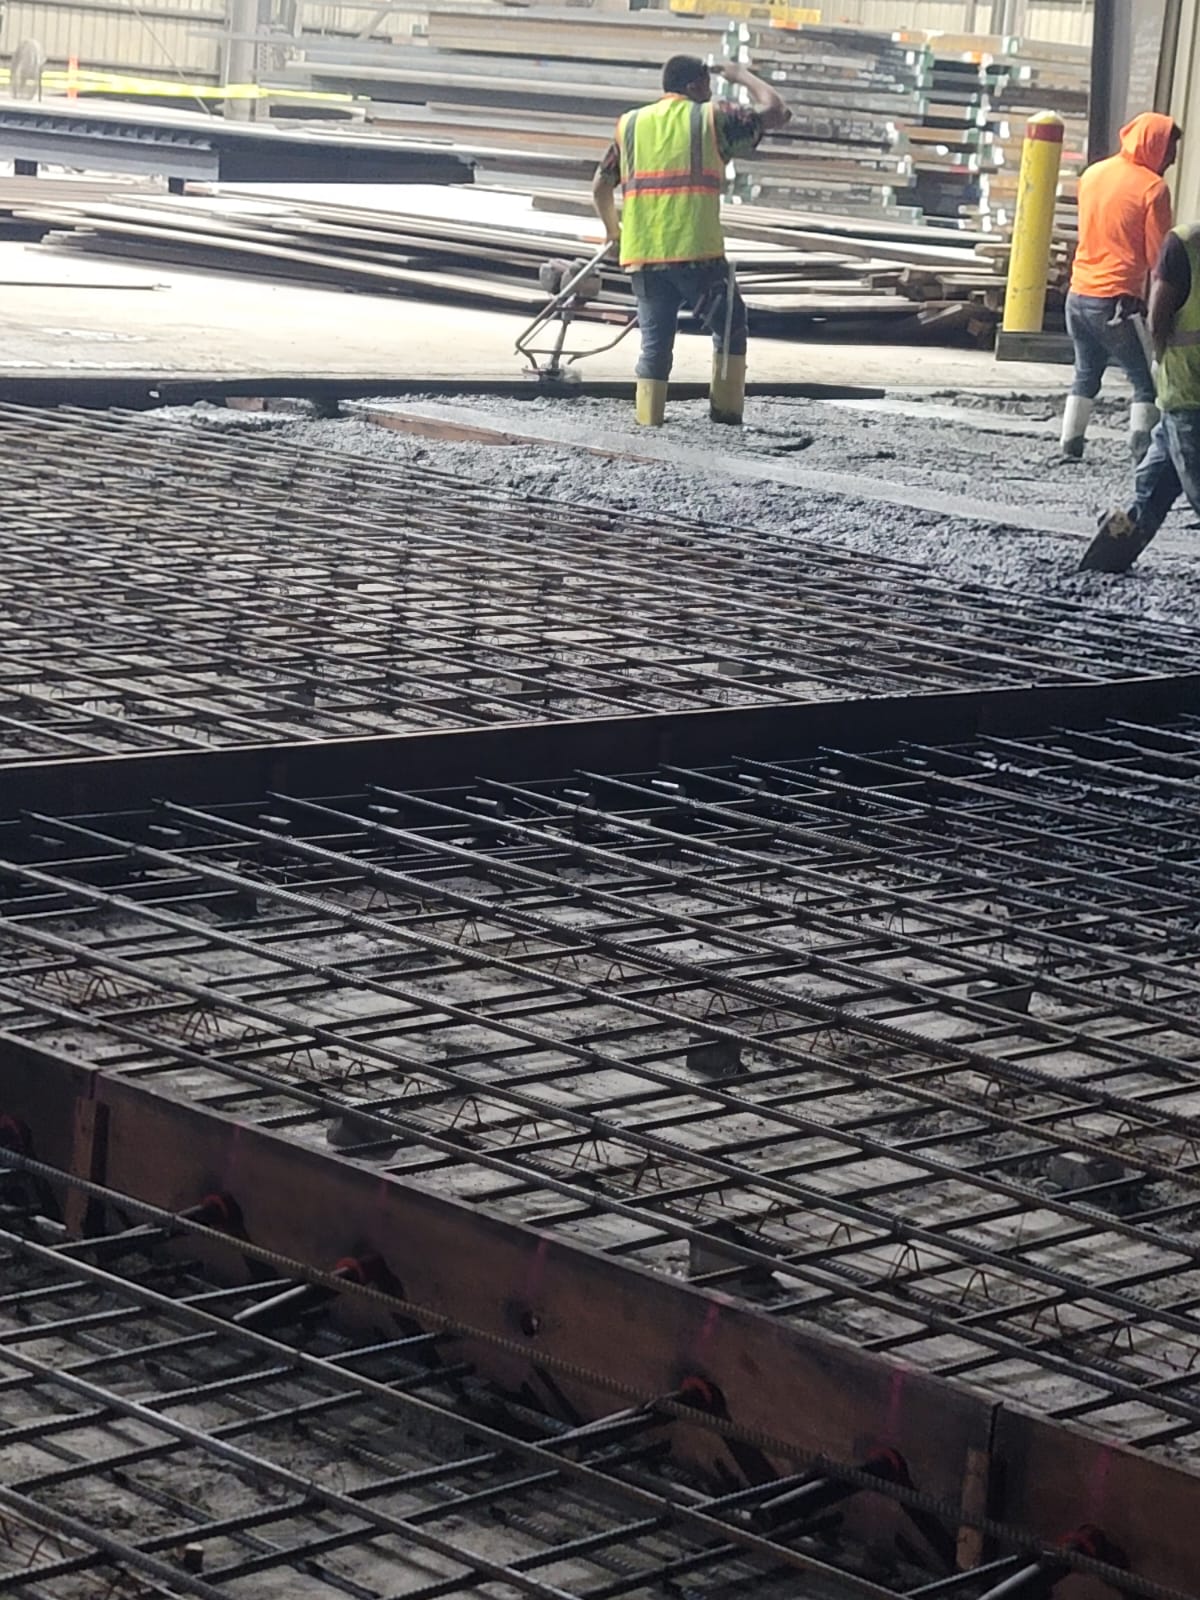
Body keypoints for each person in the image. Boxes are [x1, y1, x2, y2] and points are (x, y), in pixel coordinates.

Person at [592, 54, 790, 428]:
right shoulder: (711, 118)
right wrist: (740, 74)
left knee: (654, 345)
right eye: (708, 84)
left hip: (643, 255)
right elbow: (778, 112)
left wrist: (613, 233)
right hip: (697, 254)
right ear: (694, 85)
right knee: (730, 327)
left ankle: (648, 420)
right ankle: (726, 416)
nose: (711, 91)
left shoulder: (631, 124)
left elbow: (601, 186)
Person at [1061, 112, 1181, 462]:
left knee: (1086, 373)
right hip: (1117, 301)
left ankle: (1070, 445)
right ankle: (1143, 453)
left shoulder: (1093, 173)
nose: (1172, 159)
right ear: (1154, 145)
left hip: (1078, 294)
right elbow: (1160, 257)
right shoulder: (1153, 188)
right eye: (1169, 150)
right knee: (1147, 381)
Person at [1081, 219, 1200, 572]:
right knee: (1153, 482)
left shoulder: (1184, 243)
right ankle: (1114, 553)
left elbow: (1157, 322)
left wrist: (1161, 363)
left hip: (1188, 392)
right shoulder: (1186, 244)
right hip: (1183, 396)